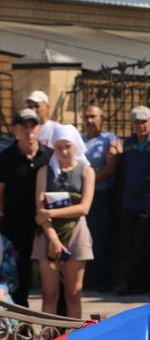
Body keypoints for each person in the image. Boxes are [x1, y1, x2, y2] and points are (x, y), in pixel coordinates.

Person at [33, 125, 94, 319]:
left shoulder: (87, 171)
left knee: (73, 294)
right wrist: (53, 240)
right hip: (48, 235)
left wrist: (53, 213)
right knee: (49, 295)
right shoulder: (44, 171)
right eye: (58, 147)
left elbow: (84, 208)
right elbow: (40, 212)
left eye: (67, 146)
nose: (64, 152)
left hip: (76, 233)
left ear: (76, 145)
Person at [0, 109, 52, 306]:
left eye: (33, 126)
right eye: (24, 126)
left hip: (45, 227)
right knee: (19, 280)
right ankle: (22, 330)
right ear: (16, 129)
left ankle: (59, 329)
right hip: (15, 227)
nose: (29, 131)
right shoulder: (5, 158)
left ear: (39, 128)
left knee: (53, 282)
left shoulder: (49, 156)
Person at [118, 106, 150, 295]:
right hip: (130, 201)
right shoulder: (129, 143)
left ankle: (135, 285)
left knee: (141, 244)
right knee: (131, 244)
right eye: (137, 122)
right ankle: (137, 283)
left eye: (144, 121)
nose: (141, 125)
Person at [81, 104, 119, 292]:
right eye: (87, 116)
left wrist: (88, 182)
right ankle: (85, 280)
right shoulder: (78, 140)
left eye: (93, 116)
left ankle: (102, 280)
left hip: (100, 196)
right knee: (82, 239)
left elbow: (110, 168)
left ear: (101, 119)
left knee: (101, 239)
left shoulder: (110, 140)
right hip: (79, 199)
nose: (89, 120)